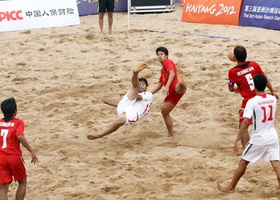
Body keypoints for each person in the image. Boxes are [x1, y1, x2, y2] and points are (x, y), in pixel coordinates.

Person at [218, 74, 280, 193]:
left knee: (243, 162)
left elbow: (245, 122)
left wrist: (237, 140)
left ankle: (231, 187)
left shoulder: (252, 102)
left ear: (254, 87)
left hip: (258, 138)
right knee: (277, 165)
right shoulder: (272, 99)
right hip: (272, 136)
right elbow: (263, 107)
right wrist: (246, 110)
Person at [227, 45, 278, 149]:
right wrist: (272, 91)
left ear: (235, 57)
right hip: (262, 97)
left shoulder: (232, 72)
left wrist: (236, 88)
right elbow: (265, 78)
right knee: (263, 123)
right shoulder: (254, 64)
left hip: (249, 101)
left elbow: (231, 89)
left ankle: (247, 149)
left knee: (243, 125)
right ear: (246, 55)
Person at [87, 63, 153, 140]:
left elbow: (137, 97)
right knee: (134, 88)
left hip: (134, 112)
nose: (141, 85)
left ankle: (100, 135)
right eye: (140, 83)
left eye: (143, 84)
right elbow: (119, 104)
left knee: (119, 121)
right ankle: (135, 73)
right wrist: (105, 100)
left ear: (147, 87)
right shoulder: (131, 93)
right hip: (126, 106)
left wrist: (126, 93)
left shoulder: (148, 94)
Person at [0, 97, 38, 200]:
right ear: (15, 112)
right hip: (14, 156)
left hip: (1, 157)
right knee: (22, 182)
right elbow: (20, 136)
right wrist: (31, 151)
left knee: (3, 187)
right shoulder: (18, 122)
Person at [150, 46, 187, 137]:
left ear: (166, 56)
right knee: (164, 112)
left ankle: (181, 83)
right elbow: (159, 86)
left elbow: (172, 73)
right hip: (171, 94)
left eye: (162, 54)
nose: (160, 56)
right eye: (158, 55)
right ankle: (170, 134)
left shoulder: (168, 62)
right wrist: (147, 94)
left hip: (174, 88)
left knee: (178, 87)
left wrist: (166, 86)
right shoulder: (162, 70)